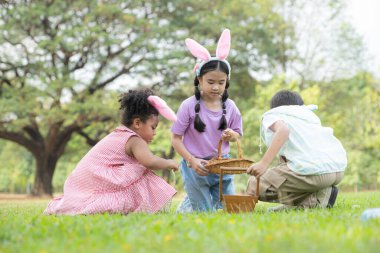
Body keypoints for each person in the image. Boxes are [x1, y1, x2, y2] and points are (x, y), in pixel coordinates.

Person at [44, 89, 179, 215]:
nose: (155, 133)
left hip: (88, 180)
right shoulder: (134, 139)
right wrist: (169, 163)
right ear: (137, 123)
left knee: (136, 170)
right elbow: (150, 161)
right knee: (140, 171)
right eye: (153, 128)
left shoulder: (120, 133)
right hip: (99, 177)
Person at [171, 29, 243, 212]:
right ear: (199, 79)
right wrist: (191, 160)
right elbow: (176, 139)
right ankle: (189, 206)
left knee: (227, 207)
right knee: (203, 211)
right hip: (196, 166)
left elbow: (237, 135)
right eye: (210, 82)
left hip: (222, 164)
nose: (216, 87)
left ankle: (189, 205)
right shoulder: (188, 106)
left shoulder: (231, 106)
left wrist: (232, 135)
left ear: (227, 81)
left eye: (221, 82)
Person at [246, 90, 347, 211]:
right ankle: (319, 196)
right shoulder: (308, 117)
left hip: (313, 173)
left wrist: (264, 164)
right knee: (283, 170)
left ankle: (315, 197)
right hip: (336, 171)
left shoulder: (274, 115)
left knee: (253, 183)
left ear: (274, 107)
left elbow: (283, 131)